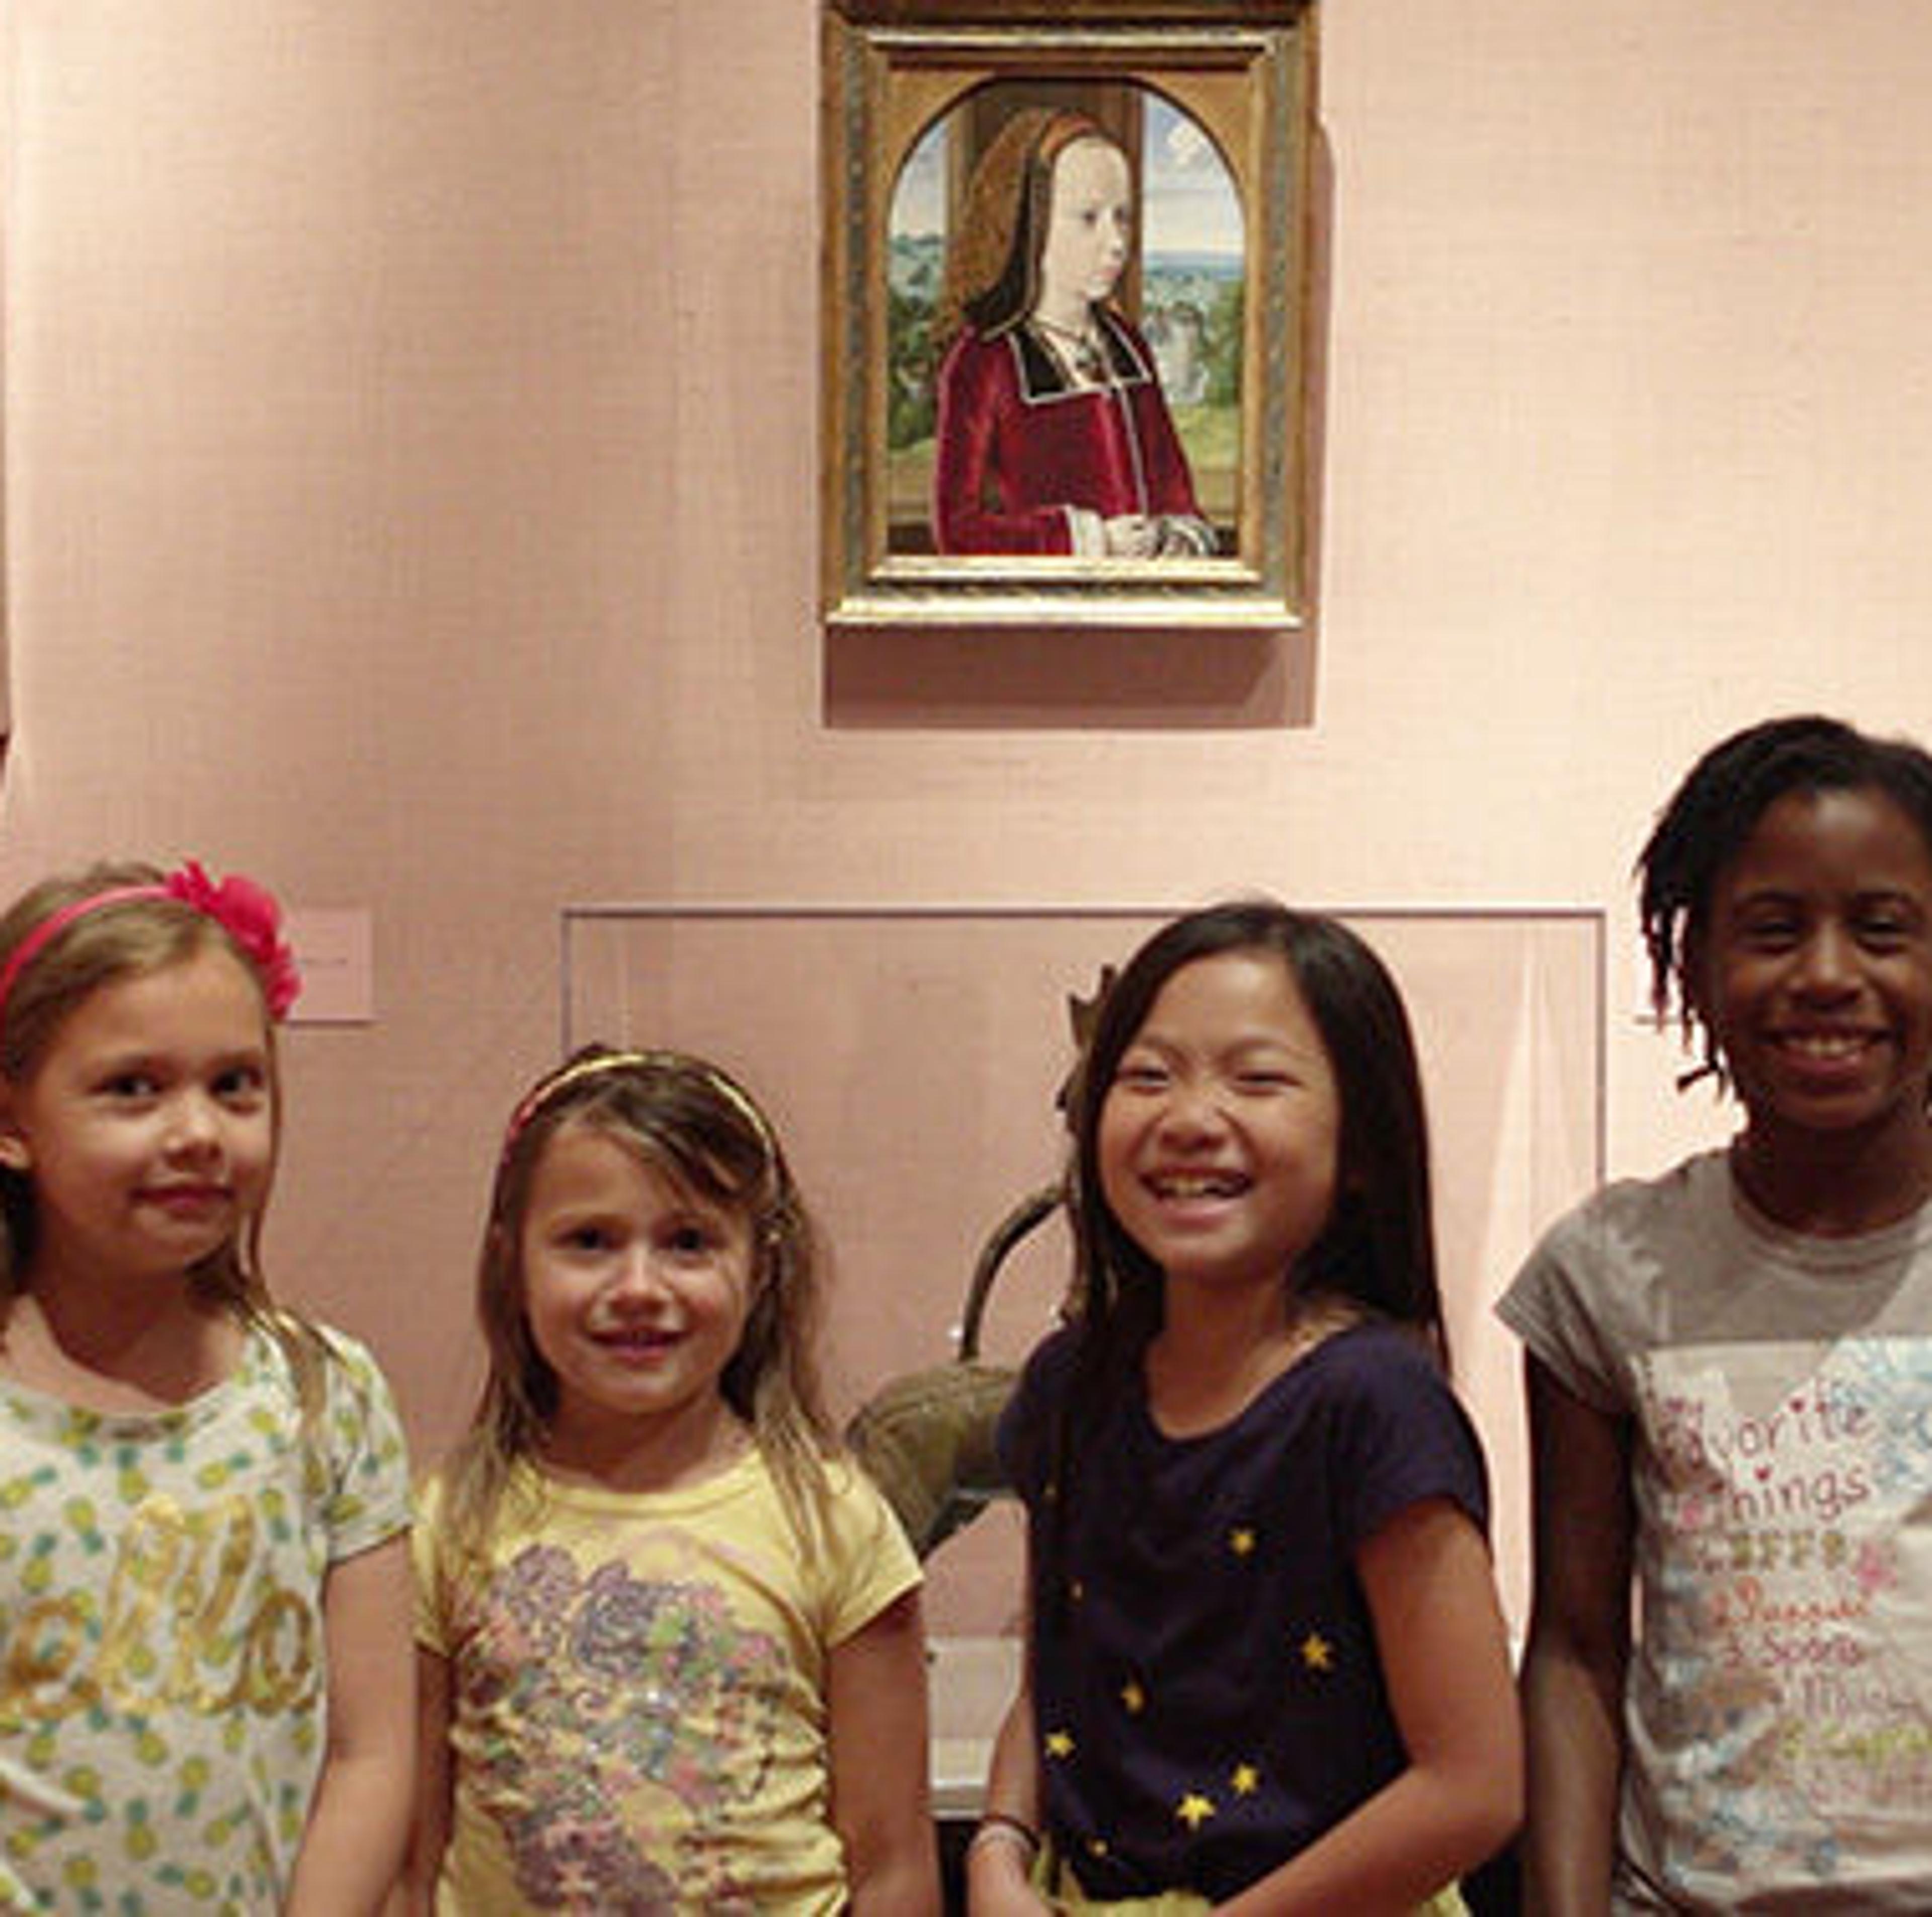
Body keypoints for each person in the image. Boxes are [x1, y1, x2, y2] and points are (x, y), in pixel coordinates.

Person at [973, 902, 1521, 1915]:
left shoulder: (1373, 1402)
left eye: (1257, 1079)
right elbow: (1061, 1674)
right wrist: (998, 1850)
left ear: (1361, 1145)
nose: (1189, 1116)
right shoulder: (1068, 1384)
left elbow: (1475, 1786)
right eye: (1147, 1075)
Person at [1501, 713, 1932, 1912]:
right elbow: (1577, 1648)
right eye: (1772, 929)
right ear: (1689, 968)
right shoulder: (1607, 1271)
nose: (1828, 973)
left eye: (1883, 928)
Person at [405, 1047, 939, 1914]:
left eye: (689, 1242)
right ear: (513, 1264)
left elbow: (893, 1864)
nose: (639, 1288)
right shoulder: (449, 1520)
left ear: (761, 1266)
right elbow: (410, 1862)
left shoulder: (835, 1520)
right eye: (589, 1242)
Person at [0, 859, 414, 1912]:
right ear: (11, 1121)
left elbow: (371, 1753)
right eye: (133, 1087)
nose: (197, 1132)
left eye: (235, 1084)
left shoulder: (328, 1398)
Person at [931, 106, 1218, 560]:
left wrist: (1175, 536)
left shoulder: (1128, 344)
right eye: (1089, 218)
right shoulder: (986, 359)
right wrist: (1090, 540)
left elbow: (1177, 495)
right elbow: (958, 529)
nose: (1118, 242)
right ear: (1032, 224)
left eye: (1122, 217)